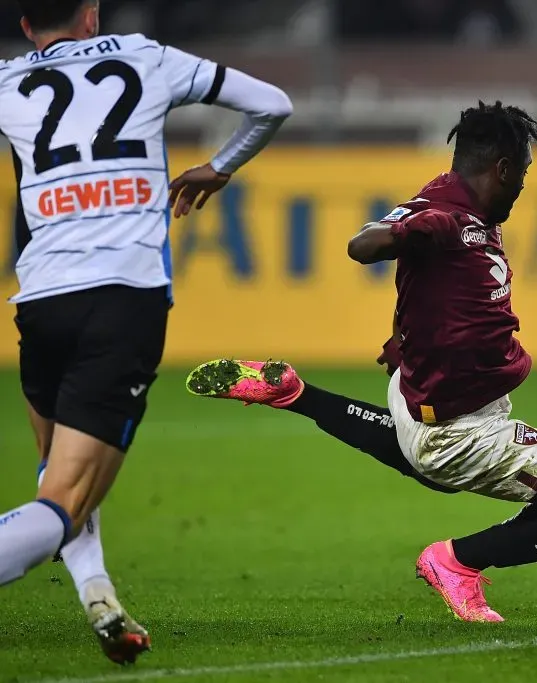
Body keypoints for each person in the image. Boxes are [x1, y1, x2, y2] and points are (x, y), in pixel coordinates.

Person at [185, 101, 537, 623]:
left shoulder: (454, 198)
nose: (523, 186)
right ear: (505, 169)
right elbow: (366, 245)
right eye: (524, 174)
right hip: (459, 429)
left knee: (434, 464)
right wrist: (408, 235)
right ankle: (459, 561)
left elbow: (434, 277)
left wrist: (406, 331)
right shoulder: (447, 218)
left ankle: (295, 393)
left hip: (413, 394)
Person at [0, 0, 292, 665]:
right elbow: (272, 103)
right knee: (62, 502)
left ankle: (97, 590)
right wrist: (221, 166)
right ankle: (92, 584)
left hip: (40, 300)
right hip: (122, 297)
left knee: (57, 472)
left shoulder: (6, 82)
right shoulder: (147, 55)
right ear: (91, 14)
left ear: (24, 26)